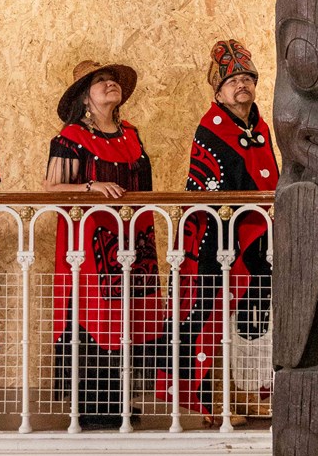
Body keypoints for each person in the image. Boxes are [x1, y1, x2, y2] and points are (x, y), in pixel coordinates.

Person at [46, 61, 165, 431]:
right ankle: (94, 403)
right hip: (91, 242)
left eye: (112, 80)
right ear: (85, 96)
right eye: (100, 81)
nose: (110, 84)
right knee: (95, 317)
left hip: (136, 240)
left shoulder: (132, 133)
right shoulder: (70, 137)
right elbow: (49, 190)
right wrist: (89, 188)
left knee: (134, 314)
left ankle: (124, 397)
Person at [182, 39, 278, 423]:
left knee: (252, 323)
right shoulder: (209, 129)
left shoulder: (262, 127)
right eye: (233, 80)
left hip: (260, 241)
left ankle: (248, 392)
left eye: (247, 78)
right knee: (214, 320)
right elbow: (205, 189)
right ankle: (214, 403)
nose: (242, 85)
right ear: (218, 90)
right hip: (220, 240)